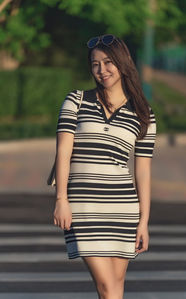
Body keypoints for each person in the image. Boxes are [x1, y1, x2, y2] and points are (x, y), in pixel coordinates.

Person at [53, 34, 157, 299]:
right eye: (95, 64)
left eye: (108, 62)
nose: (101, 70)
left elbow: (142, 171)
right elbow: (63, 151)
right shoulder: (76, 100)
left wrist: (143, 221)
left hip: (123, 208)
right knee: (108, 287)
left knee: (115, 287)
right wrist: (61, 199)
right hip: (84, 207)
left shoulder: (144, 114)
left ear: (122, 64)